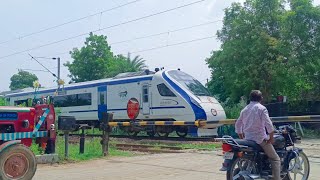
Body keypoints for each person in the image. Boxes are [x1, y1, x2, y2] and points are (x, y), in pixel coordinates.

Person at [235, 90, 280, 180]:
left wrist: (241, 137)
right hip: (260, 139)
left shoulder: (245, 109)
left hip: (248, 139)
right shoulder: (261, 108)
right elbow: (268, 124)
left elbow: (238, 124)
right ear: (260, 98)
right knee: (275, 159)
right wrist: (271, 137)